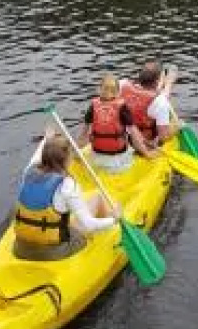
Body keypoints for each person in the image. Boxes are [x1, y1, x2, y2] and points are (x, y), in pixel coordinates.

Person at [13, 133, 118, 261]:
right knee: (98, 198)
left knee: (65, 216)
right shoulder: (68, 185)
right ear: (67, 160)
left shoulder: (28, 172)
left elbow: (36, 156)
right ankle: (113, 236)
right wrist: (114, 219)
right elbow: (89, 224)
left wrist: (47, 137)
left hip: (20, 249)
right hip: (54, 252)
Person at [80, 75, 157, 173]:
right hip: (118, 160)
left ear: (99, 90)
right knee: (132, 147)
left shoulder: (93, 106)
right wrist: (146, 153)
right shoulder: (122, 108)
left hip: (97, 156)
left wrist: (77, 152)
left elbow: (83, 134)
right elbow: (134, 134)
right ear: (117, 92)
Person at [120, 61, 178, 147]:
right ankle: (168, 83)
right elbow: (163, 137)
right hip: (143, 143)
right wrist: (176, 128)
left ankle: (166, 84)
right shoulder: (160, 101)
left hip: (121, 137)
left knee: (160, 101)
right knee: (177, 124)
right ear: (157, 81)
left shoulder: (122, 84)